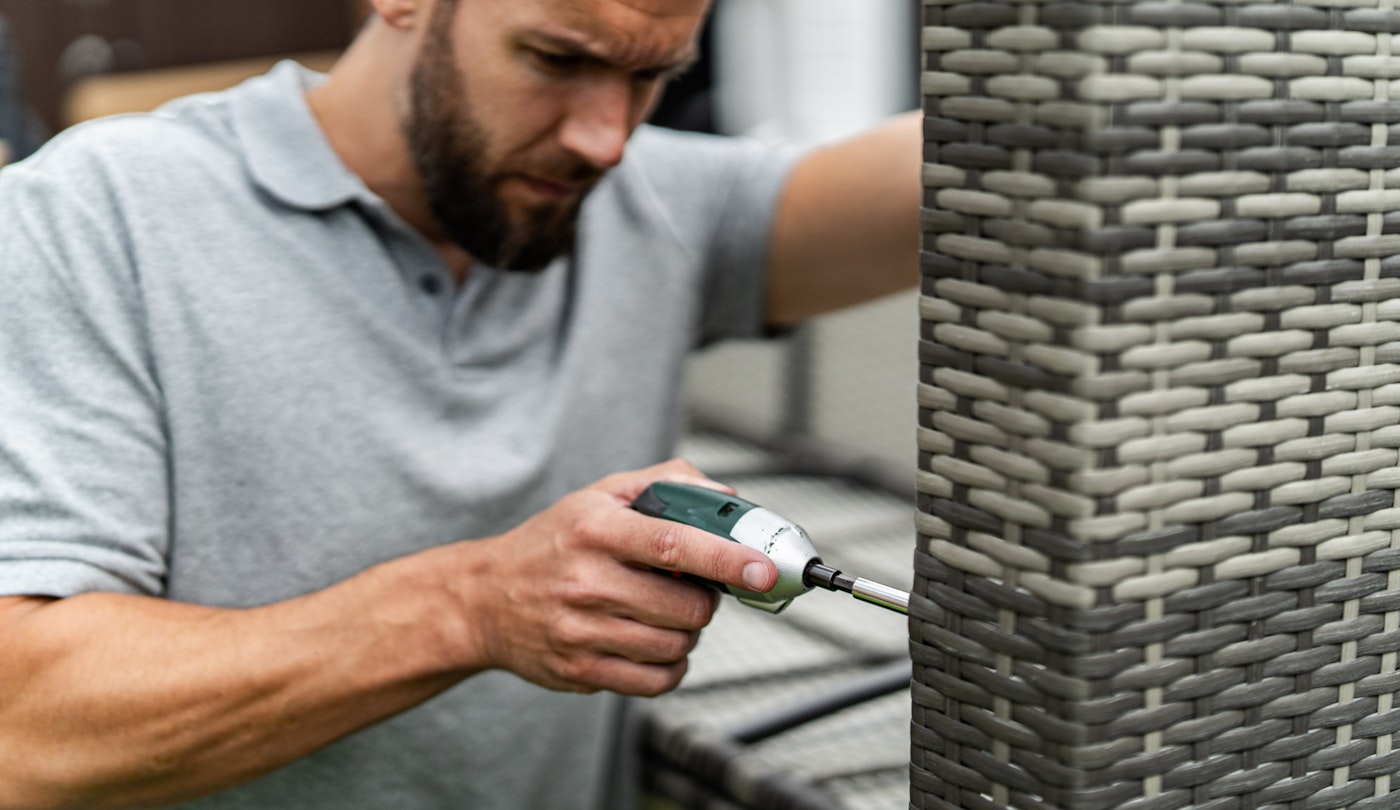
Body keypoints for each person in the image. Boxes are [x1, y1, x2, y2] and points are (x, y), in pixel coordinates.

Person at [0, 0, 920, 807]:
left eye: (650, 76)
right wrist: (470, 606)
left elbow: (958, 171)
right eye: (557, 58)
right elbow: (25, 733)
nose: (604, 137)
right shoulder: (90, 217)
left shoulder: (653, 204)